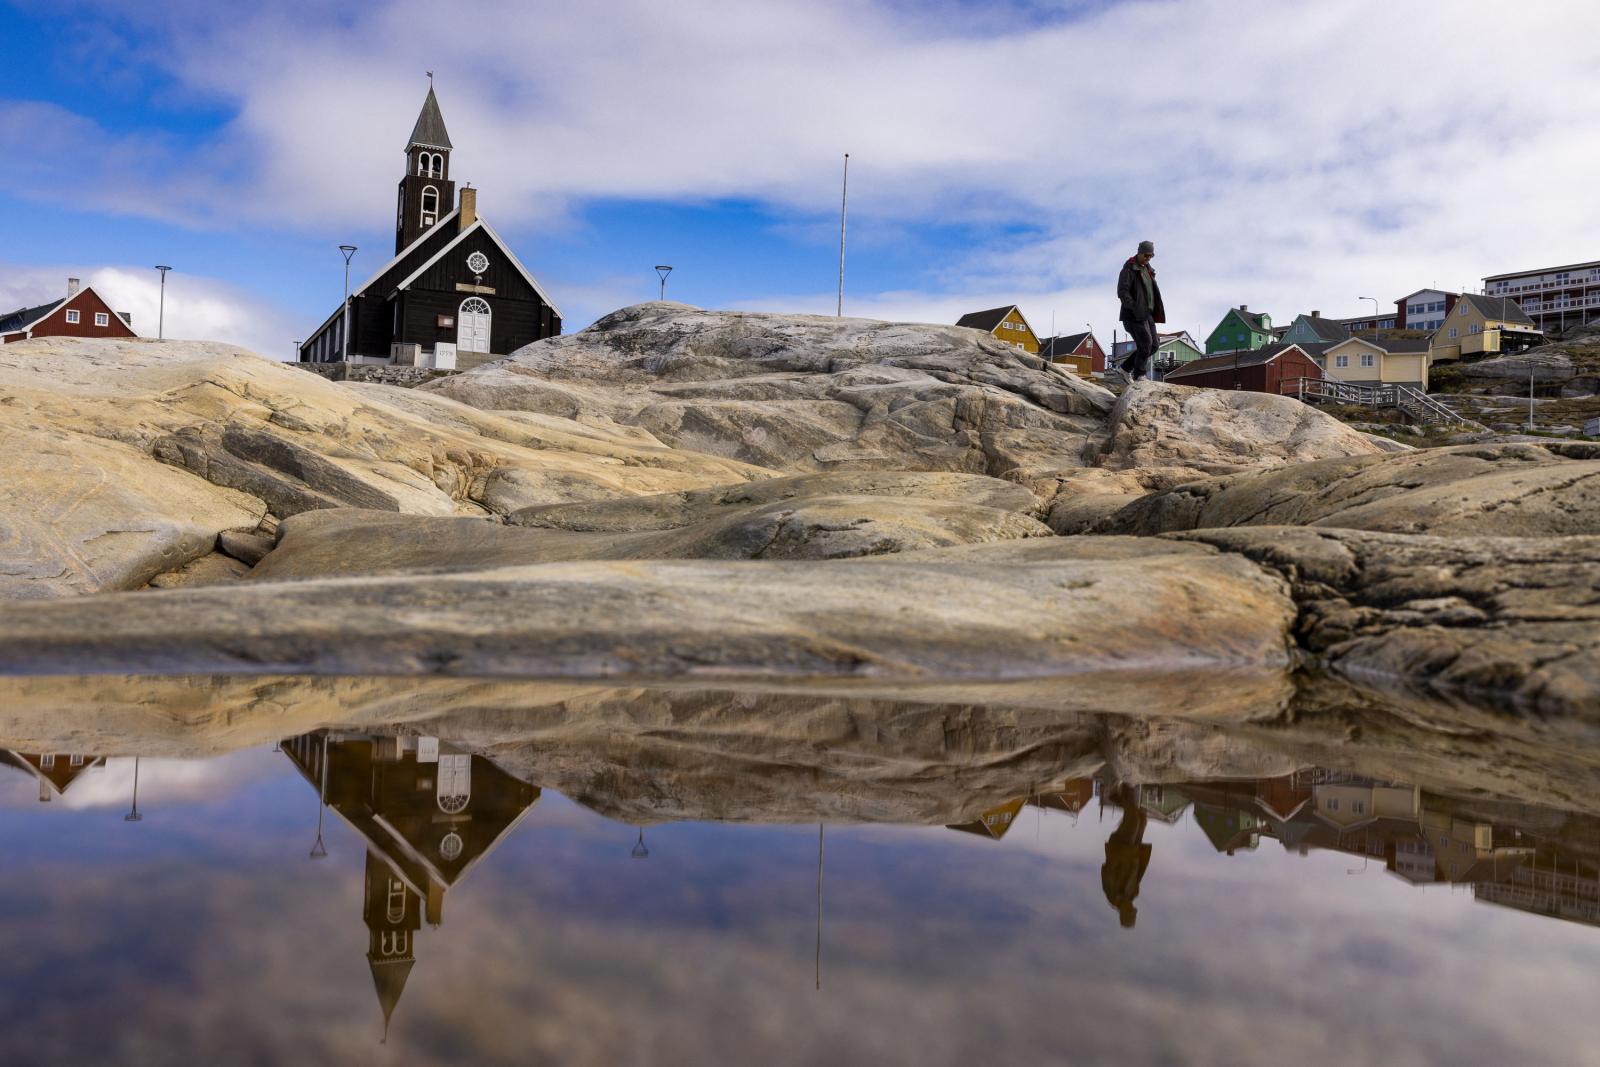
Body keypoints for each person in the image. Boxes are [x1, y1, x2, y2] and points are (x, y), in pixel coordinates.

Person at [1100, 782, 1153, 929]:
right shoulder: (1132, 895)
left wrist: (1119, 859)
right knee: (1142, 818)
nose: (1132, 908)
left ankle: (1127, 786)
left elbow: (1106, 869)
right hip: (1133, 851)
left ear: (1123, 913)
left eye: (1130, 911)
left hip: (1120, 849)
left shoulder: (1111, 893)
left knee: (1133, 819)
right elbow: (1138, 873)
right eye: (1133, 910)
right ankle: (1117, 797)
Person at [1116, 240, 1166, 381]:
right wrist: (1134, 307)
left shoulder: (1148, 270)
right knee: (1145, 344)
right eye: (1146, 255)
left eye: (1151, 256)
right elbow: (1122, 292)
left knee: (1154, 345)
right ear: (1139, 252)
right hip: (1133, 315)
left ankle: (1125, 369)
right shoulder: (1129, 269)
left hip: (1147, 314)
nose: (1148, 258)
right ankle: (1139, 375)